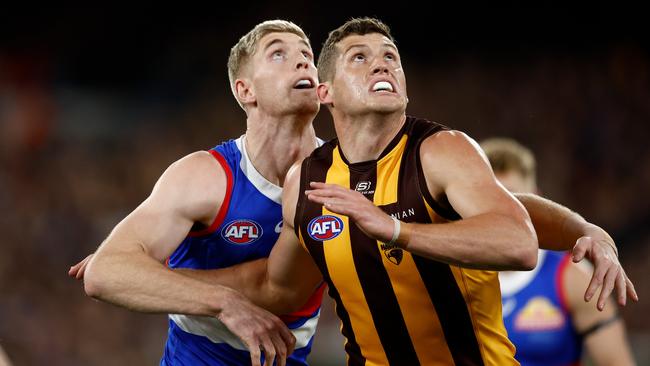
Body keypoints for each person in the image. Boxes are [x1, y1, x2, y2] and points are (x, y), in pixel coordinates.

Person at [149, 17, 637, 365]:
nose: (380, 65)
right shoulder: (310, 178)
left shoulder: (441, 150)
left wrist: (397, 230)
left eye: (390, 58)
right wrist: (169, 282)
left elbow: (516, 238)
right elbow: (276, 286)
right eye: (359, 59)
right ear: (327, 92)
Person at [69, 20, 325, 366]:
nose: (302, 62)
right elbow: (105, 274)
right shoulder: (205, 177)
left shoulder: (339, 177)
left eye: (307, 55)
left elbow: (275, 289)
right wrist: (222, 302)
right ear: (245, 90)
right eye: (278, 54)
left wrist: (157, 276)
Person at [481, 138, 636, 366]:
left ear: (538, 202)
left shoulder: (572, 278)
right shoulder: (447, 273)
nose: (501, 210)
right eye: (491, 198)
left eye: (514, 198)